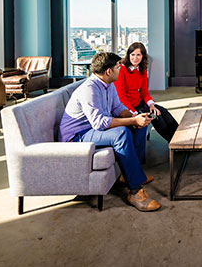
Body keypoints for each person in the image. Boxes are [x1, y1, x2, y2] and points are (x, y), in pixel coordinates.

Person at [58, 52, 160, 212]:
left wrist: (136, 117)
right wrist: (133, 120)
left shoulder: (108, 84)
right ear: (108, 72)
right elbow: (99, 122)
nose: (121, 69)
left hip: (92, 129)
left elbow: (117, 108)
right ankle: (134, 191)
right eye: (118, 67)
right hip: (77, 135)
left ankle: (133, 172)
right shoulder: (89, 89)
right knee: (121, 133)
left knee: (139, 127)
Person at [114, 42, 179, 142]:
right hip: (128, 107)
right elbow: (121, 97)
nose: (135, 58)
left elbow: (144, 92)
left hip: (140, 103)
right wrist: (135, 114)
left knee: (163, 112)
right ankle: (175, 143)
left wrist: (152, 105)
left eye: (138, 55)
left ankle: (182, 138)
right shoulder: (122, 70)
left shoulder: (142, 70)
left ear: (143, 56)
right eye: (133, 54)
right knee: (156, 117)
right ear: (128, 55)